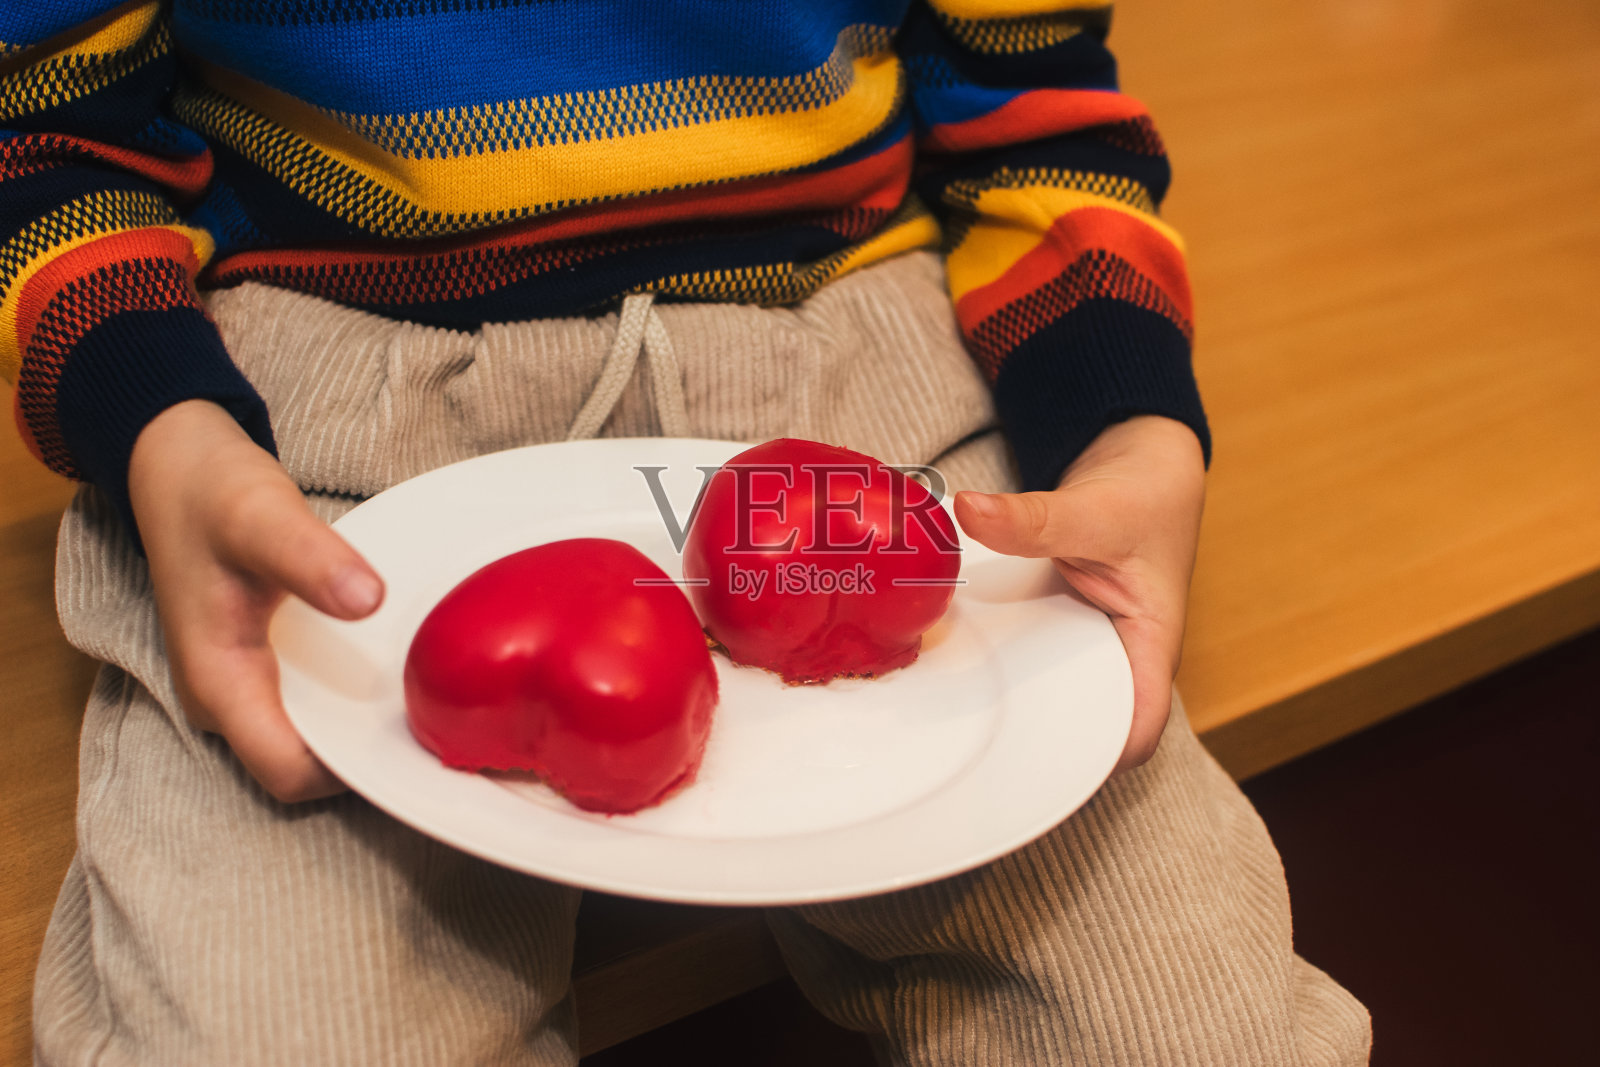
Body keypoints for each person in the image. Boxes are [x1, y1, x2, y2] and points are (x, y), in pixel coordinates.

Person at [4, 2, 1370, 1063]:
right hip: (318, 418)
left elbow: (1037, 110)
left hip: (860, 385)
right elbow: (52, 135)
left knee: (1188, 1024)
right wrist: (161, 422)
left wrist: (1132, 420)